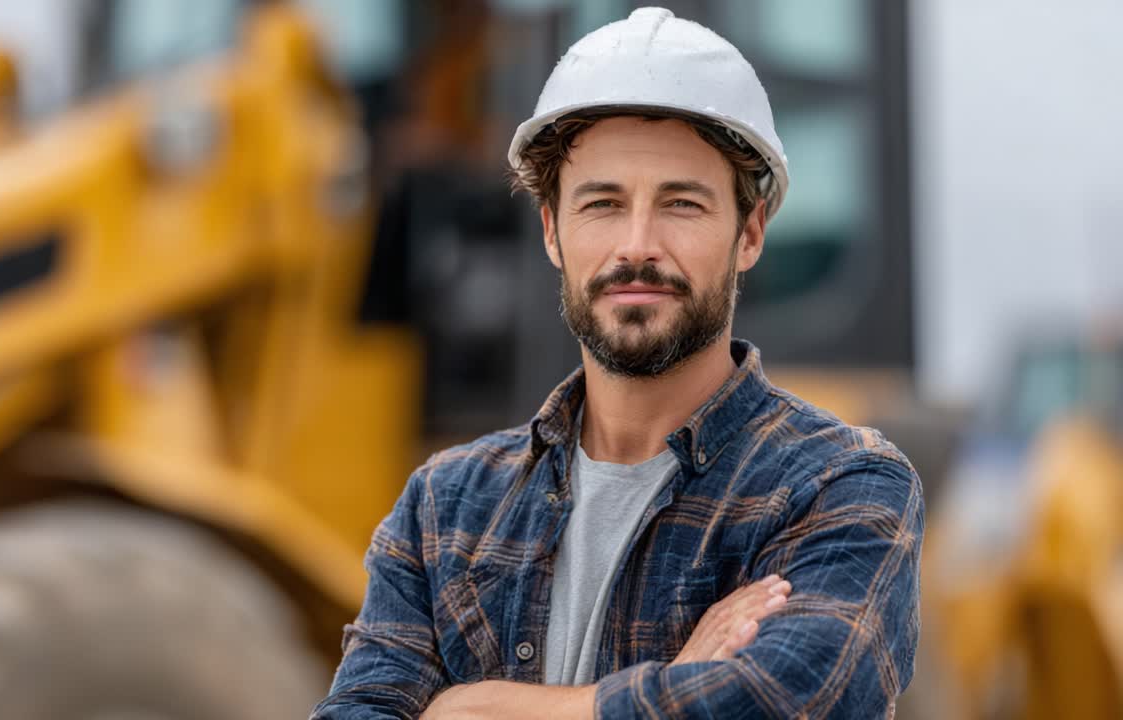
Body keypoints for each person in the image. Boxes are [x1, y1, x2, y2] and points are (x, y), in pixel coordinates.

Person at [312, 7, 923, 718]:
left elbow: (778, 701)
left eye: (682, 205)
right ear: (551, 230)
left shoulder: (838, 489)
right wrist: (676, 683)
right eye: (603, 203)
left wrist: (466, 709)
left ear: (749, 231)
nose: (638, 246)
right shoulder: (443, 509)